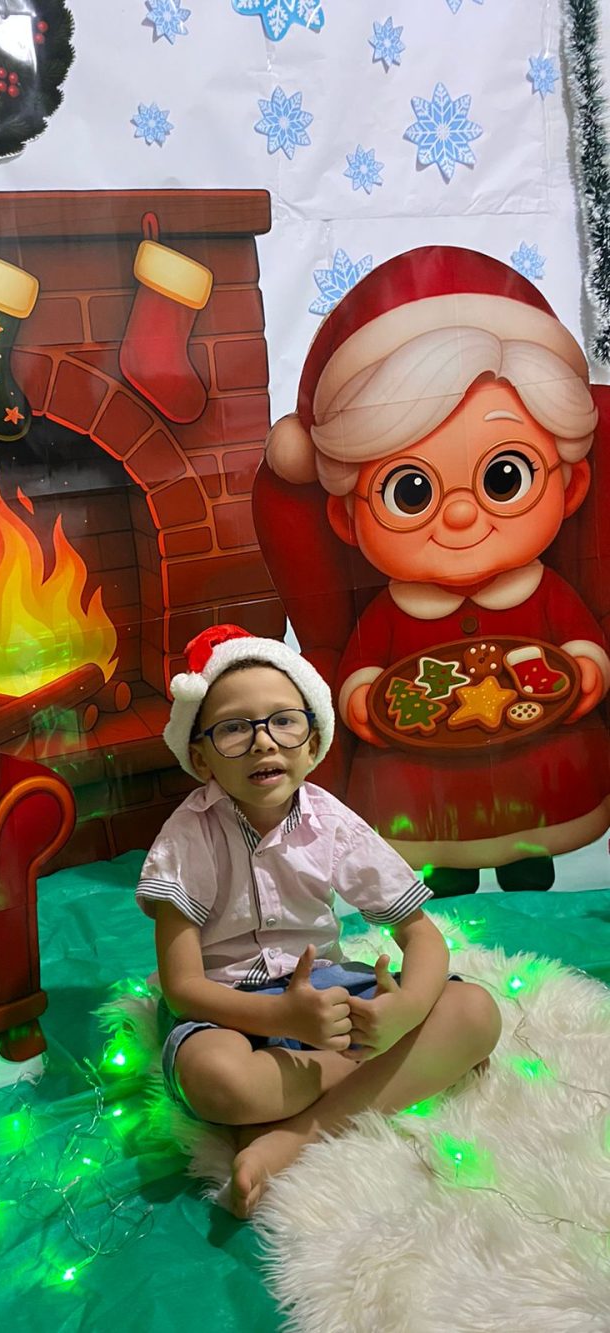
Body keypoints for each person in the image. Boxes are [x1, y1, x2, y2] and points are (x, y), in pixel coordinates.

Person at [260, 246, 610, 895]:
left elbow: (582, 640)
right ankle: (444, 868)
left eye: (504, 478)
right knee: (423, 838)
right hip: (419, 787)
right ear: (346, 519)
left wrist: (589, 666)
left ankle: (525, 860)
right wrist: (361, 696)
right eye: (411, 492)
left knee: (539, 831)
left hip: (545, 770)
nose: (458, 517)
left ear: (571, 482)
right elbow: (362, 668)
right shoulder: (392, 611)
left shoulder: (544, 592)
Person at [136, 624, 501, 1219]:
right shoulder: (187, 837)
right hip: (228, 1009)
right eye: (234, 729)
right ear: (200, 758)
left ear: (313, 743)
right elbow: (183, 987)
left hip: (328, 994)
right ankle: (392, 1073)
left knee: (476, 1011)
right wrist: (281, 1016)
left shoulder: (330, 820)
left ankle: (295, 1135)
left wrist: (403, 1012)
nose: (262, 743)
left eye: (284, 721)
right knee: (219, 1081)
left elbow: (420, 934)